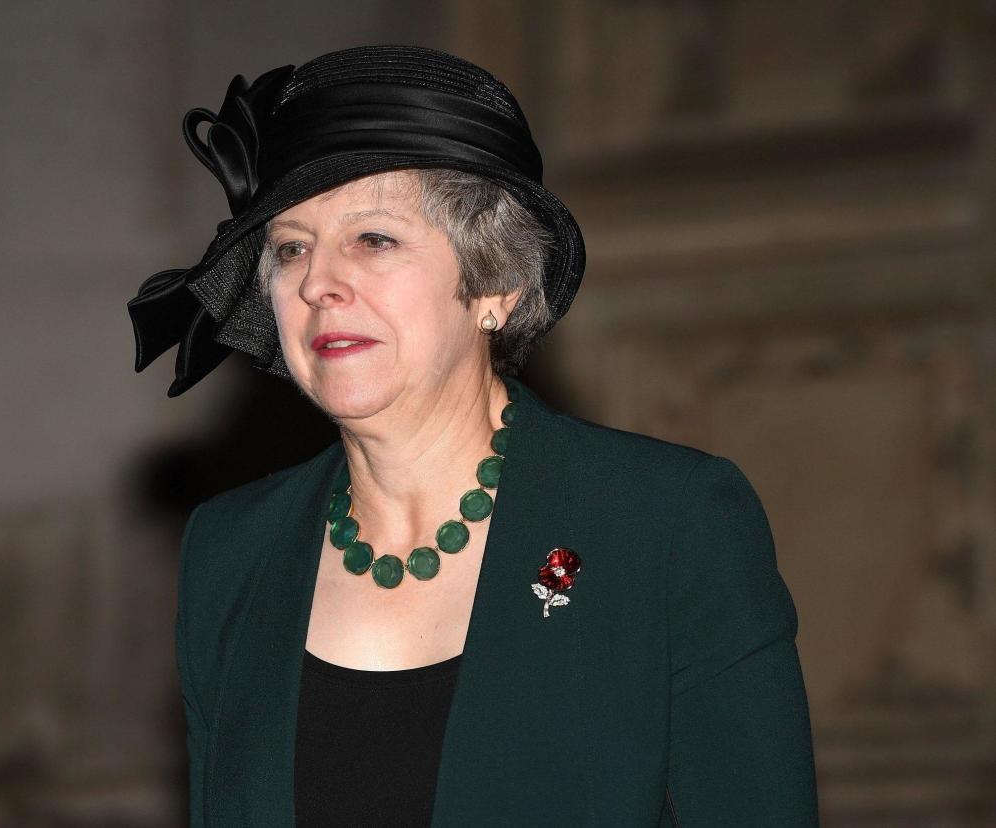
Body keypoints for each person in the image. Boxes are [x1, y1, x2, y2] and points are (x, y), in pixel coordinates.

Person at [128, 45, 818, 827]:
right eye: (291, 248)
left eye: (373, 239)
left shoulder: (664, 523)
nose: (318, 281)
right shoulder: (231, 553)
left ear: (495, 284)